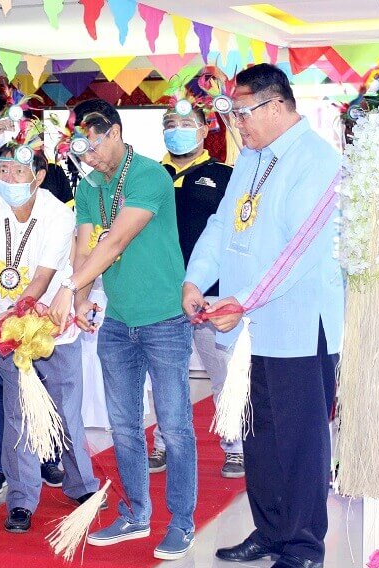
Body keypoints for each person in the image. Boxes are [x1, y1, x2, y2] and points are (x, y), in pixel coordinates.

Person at [182, 64, 343, 568]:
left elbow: (298, 253)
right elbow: (221, 225)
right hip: (252, 327)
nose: (236, 124)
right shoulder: (251, 158)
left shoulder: (319, 162)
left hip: (298, 325)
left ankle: (303, 544)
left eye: (242, 112)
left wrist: (239, 302)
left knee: (300, 440)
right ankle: (271, 529)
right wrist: (196, 280)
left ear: (276, 106)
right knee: (260, 435)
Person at [47, 99, 197, 561]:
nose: (86, 158)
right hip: (118, 324)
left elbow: (116, 239)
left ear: (113, 132)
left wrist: (69, 286)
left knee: (174, 427)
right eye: (80, 150)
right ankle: (135, 513)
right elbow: (86, 240)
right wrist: (81, 295)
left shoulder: (150, 174)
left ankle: (182, 521)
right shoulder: (91, 183)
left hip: (165, 320)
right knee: (124, 427)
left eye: (92, 146)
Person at [0, 136, 99, 534]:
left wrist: (10, 313)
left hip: (52, 324)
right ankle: (22, 499)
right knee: (17, 413)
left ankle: (81, 485)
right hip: (8, 325)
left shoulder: (58, 214)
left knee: (64, 410)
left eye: (19, 171)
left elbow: (41, 278)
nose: (9, 177)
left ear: (38, 176)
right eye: (3, 170)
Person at [0, 90, 73, 496]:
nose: (7, 177)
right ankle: (6, 473)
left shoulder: (56, 185)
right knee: (2, 394)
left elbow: (57, 259)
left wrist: (62, 295)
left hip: (44, 309)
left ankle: (55, 462)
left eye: (14, 122)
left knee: (49, 391)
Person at [148, 81, 243, 479]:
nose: (177, 128)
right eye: (170, 122)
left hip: (211, 296)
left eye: (186, 122)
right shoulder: (149, 176)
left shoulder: (227, 175)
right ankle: (162, 444)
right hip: (160, 295)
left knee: (223, 375)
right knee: (166, 377)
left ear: (206, 130)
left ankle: (235, 446)